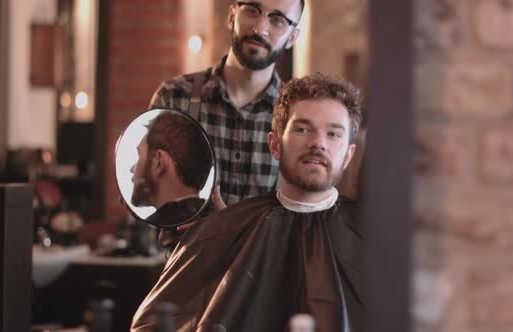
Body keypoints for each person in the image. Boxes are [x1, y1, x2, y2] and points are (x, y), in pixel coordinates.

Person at [131, 73, 364, 332]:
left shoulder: (375, 237)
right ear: (275, 145)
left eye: (333, 134)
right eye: (302, 129)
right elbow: (152, 324)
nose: (318, 143)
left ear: (348, 155)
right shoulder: (224, 229)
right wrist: (223, 231)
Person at [149, 0, 304, 207]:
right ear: (232, 16)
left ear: (292, 36)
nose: (260, 28)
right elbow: (144, 191)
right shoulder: (174, 97)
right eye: (252, 10)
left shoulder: (297, 116)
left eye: (277, 20)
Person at [130, 111, 214, 241]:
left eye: (139, 155)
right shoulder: (216, 224)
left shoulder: (158, 232)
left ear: (159, 161)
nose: (132, 169)